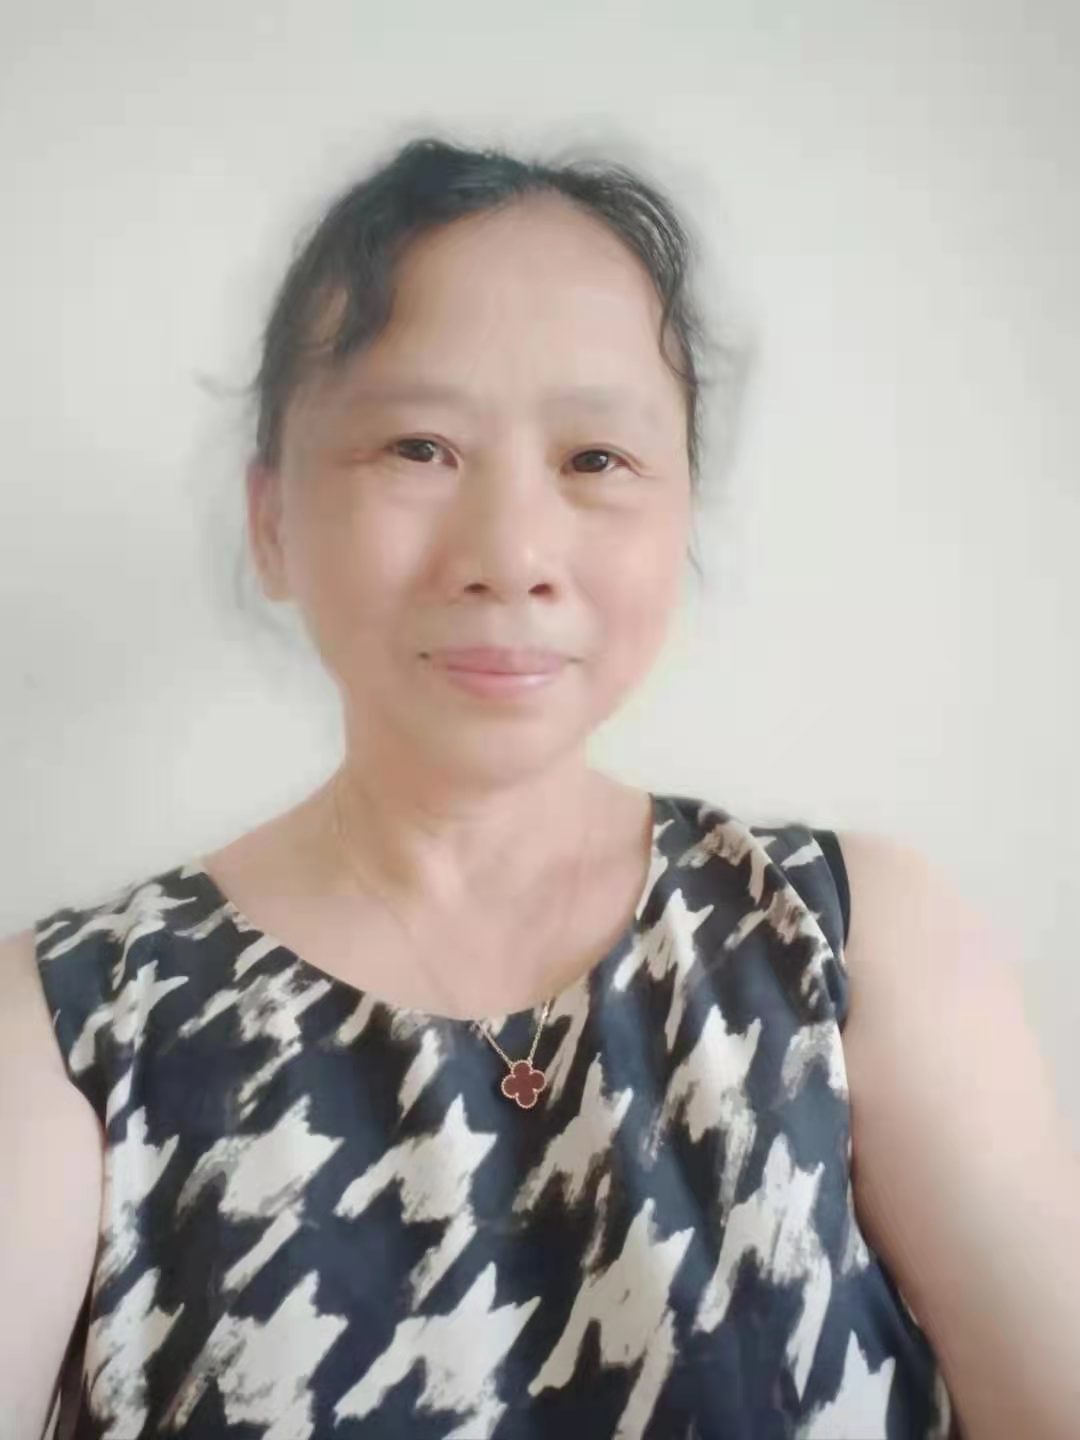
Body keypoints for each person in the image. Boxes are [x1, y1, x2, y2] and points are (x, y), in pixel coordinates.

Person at [2, 133, 1077, 1440]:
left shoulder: (848, 941)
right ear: (272, 520)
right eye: (417, 446)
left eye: (595, 460)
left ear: (681, 513)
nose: (511, 553)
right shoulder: (70, 1027)